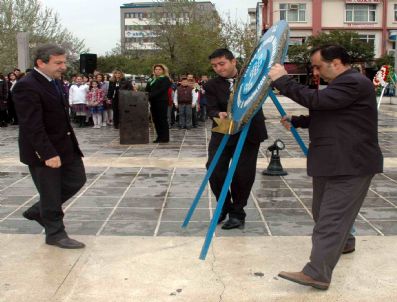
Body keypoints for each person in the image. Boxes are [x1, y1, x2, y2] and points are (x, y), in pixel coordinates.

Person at [269, 44, 383, 290]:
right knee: (322, 212)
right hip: (332, 161)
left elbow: (318, 100)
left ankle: (317, 273)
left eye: (318, 66)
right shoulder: (341, 85)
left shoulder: (354, 82)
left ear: (337, 63)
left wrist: (283, 81)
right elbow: (330, 112)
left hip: (350, 163)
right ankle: (345, 243)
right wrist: (299, 121)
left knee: (331, 220)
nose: (315, 71)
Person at [13, 44, 86, 249]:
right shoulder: (27, 85)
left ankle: (39, 210)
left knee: (77, 179)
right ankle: (55, 233)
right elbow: (32, 125)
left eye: (64, 62)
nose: (63, 67)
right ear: (41, 63)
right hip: (44, 151)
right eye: (58, 63)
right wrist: (47, 153)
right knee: (51, 192)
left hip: (65, 146)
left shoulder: (54, 81)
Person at [204, 48, 267, 230]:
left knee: (243, 173)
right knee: (214, 169)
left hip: (249, 132)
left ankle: (238, 212)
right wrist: (218, 113)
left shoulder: (253, 80)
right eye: (214, 66)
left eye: (222, 64)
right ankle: (224, 205)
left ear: (233, 61)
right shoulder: (211, 86)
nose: (218, 68)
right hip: (223, 131)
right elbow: (210, 108)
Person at [145, 64, 172, 143]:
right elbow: (147, 89)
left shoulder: (165, 79)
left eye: (159, 69)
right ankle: (159, 137)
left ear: (163, 70)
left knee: (162, 119)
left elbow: (161, 91)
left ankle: (165, 137)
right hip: (153, 101)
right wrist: (146, 95)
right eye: (156, 69)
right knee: (156, 119)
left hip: (161, 101)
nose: (157, 71)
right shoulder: (151, 79)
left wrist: (149, 96)